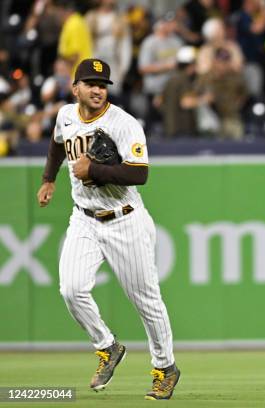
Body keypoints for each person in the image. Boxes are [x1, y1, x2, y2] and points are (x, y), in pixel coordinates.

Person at [36, 58, 180, 400]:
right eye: (90, 84)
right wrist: (47, 179)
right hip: (84, 217)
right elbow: (58, 143)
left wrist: (96, 171)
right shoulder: (65, 115)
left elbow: (140, 174)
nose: (98, 90)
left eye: (102, 85)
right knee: (71, 289)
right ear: (75, 89)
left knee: (146, 300)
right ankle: (107, 346)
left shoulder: (124, 123)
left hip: (124, 218)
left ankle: (166, 367)